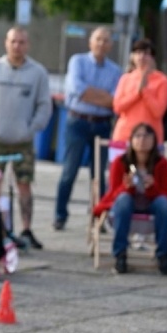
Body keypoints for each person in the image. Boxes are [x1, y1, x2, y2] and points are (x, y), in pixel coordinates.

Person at [0, 27, 52, 250]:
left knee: (24, 186)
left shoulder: (37, 73)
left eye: (21, 42)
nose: (17, 46)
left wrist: (32, 128)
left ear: (28, 45)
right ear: (6, 43)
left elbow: (44, 105)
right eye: (13, 41)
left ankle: (26, 229)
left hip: (23, 142)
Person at [54, 27, 122, 232]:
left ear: (111, 45)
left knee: (98, 175)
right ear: (90, 42)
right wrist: (101, 97)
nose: (101, 43)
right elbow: (77, 90)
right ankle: (60, 215)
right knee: (69, 170)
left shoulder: (115, 71)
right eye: (98, 39)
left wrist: (90, 94)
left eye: (106, 40)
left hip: (102, 124)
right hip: (78, 121)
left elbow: (114, 100)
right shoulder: (78, 61)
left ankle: (97, 217)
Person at [93, 122, 167, 275]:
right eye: (138, 136)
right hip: (126, 204)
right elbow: (114, 194)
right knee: (123, 200)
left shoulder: (162, 164)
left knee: (163, 204)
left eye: (147, 136)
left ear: (154, 140)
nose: (142, 140)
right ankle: (120, 255)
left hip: (151, 204)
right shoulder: (120, 162)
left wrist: (152, 187)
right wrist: (127, 186)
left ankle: (163, 255)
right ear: (131, 140)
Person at [112, 39, 167, 146]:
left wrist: (145, 91)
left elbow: (158, 111)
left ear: (153, 58)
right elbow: (117, 107)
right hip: (124, 135)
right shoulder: (125, 78)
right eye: (138, 53)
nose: (141, 57)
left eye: (146, 53)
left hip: (151, 138)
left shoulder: (162, 80)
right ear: (133, 57)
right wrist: (136, 93)